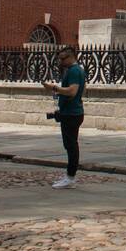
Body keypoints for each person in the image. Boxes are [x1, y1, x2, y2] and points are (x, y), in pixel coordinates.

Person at [41, 45, 85, 188]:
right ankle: (69, 176)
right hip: (72, 112)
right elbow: (81, 90)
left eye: (62, 58)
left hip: (71, 114)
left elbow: (72, 91)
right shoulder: (78, 70)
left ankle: (70, 178)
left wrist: (53, 88)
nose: (60, 61)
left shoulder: (74, 71)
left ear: (71, 56)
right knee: (70, 145)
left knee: (71, 146)